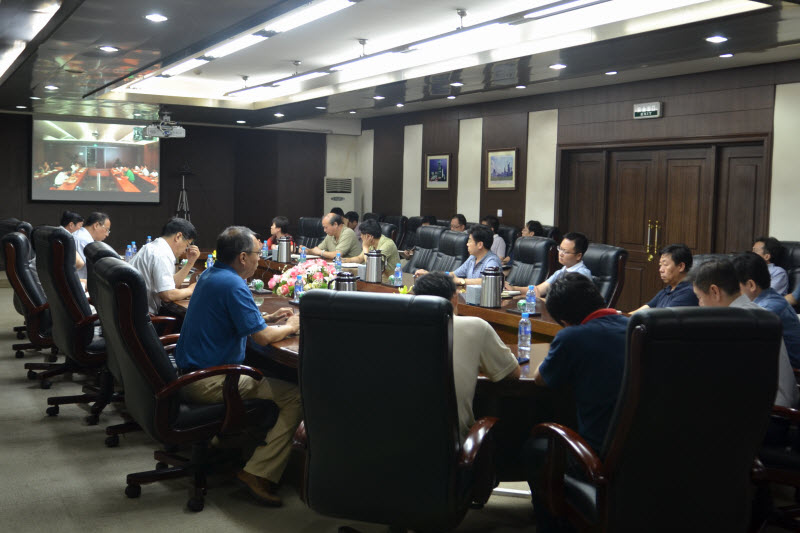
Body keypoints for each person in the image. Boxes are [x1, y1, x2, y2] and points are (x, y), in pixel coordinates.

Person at [175, 226, 301, 507]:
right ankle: (258, 472)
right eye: (258, 253)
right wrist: (291, 326)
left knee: (272, 376)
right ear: (243, 257)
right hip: (209, 381)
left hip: (190, 374)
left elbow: (235, 319)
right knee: (296, 396)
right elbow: (262, 338)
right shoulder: (233, 284)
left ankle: (232, 442)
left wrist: (269, 318)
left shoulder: (211, 275)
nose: (260, 259)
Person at [524, 273, 628, 533]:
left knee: (537, 448)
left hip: (597, 456)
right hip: (645, 451)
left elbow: (540, 379)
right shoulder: (635, 327)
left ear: (565, 321)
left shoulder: (572, 337)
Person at [413, 272, 520, 440]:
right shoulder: (477, 327)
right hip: (450, 445)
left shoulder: (396, 330)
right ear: (455, 298)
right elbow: (513, 373)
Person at [690, 259, 798, 408]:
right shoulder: (759, 313)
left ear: (715, 291)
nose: (699, 305)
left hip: (770, 412)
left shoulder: (732, 324)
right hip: (777, 405)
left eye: (699, 297)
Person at [733, 252, 800, 368]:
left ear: (751, 285)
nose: (732, 290)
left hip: (791, 370)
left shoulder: (766, 309)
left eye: (735, 286)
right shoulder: (770, 296)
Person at [129, 217, 201, 315]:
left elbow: (171, 285)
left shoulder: (155, 247)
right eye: (187, 244)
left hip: (135, 314)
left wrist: (190, 263)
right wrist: (191, 290)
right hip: (146, 318)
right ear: (178, 236)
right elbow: (167, 295)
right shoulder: (162, 254)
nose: (186, 250)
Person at [506, 231, 592, 297]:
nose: (560, 254)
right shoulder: (561, 271)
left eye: (565, 251)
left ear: (578, 256)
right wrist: (513, 288)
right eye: (560, 249)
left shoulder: (582, 275)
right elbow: (538, 290)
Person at [416, 225, 502, 286]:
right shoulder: (472, 258)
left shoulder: (492, 261)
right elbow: (453, 274)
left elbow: (489, 281)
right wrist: (430, 275)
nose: (467, 244)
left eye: (470, 241)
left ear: (480, 245)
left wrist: (462, 281)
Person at [632, 243, 698, 312]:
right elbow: (641, 311)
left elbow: (662, 317)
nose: (660, 270)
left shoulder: (688, 293)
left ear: (681, 266)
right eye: (660, 265)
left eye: (665, 265)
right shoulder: (667, 290)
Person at [73, 212, 110, 278]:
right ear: (96, 225)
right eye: (106, 230)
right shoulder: (83, 240)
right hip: (80, 281)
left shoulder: (83, 236)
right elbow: (92, 266)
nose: (107, 234)